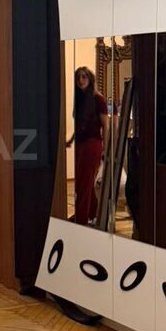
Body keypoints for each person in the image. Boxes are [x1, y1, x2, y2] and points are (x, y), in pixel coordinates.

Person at [67, 66, 109, 226]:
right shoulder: (80, 100)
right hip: (81, 143)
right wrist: (71, 140)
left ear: (90, 79)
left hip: (93, 143)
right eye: (78, 77)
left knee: (84, 182)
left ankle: (81, 219)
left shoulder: (98, 99)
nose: (81, 80)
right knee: (84, 181)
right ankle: (92, 212)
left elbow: (105, 125)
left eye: (84, 77)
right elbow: (80, 125)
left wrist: (105, 146)